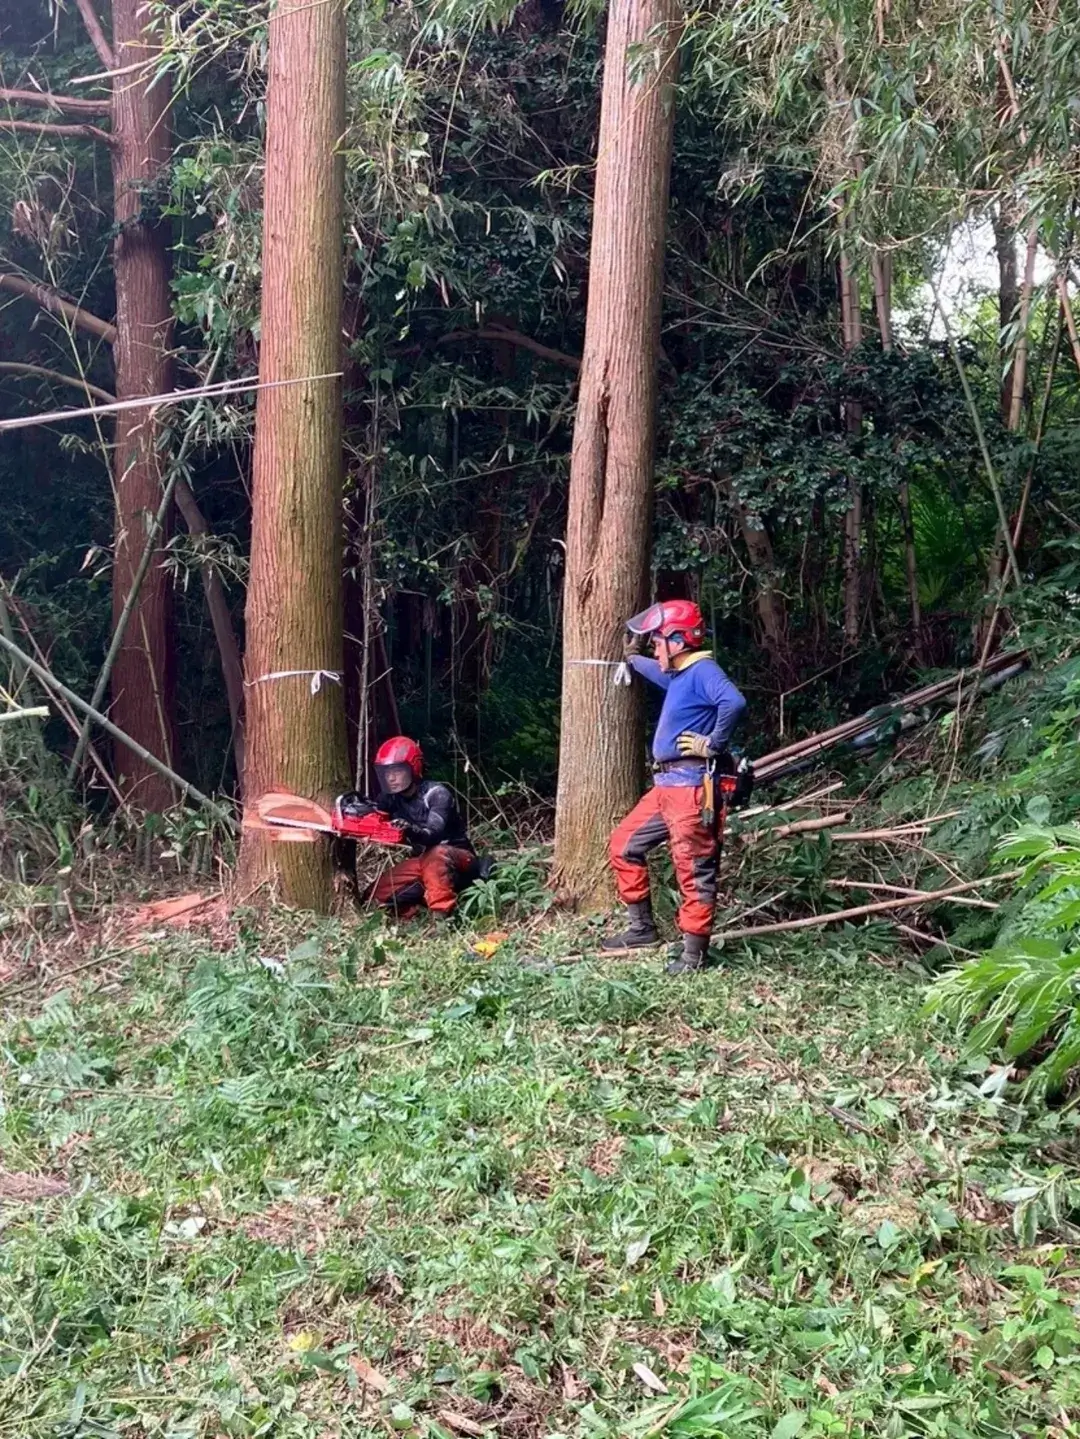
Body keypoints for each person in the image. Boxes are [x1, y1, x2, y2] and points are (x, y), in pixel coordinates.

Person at [603, 600, 747, 975]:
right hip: (665, 786)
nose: (654, 647)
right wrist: (633, 659)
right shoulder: (681, 674)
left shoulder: (703, 670)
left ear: (679, 641)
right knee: (624, 844)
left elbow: (733, 701)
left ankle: (693, 955)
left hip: (690, 788)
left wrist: (712, 743)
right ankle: (641, 929)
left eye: (658, 640)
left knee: (693, 867)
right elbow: (658, 672)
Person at [351, 736, 478, 919]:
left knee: (436, 854)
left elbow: (433, 834)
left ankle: (442, 917)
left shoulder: (437, 794)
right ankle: (412, 916)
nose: (391, 778)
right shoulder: (390, 798)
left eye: (397, 771)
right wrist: (357, 813)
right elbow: (374, 815)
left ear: (413, 768)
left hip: (458, 858)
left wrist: (410, 829)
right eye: (387, 773)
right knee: (375, 895)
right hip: (422, 862)